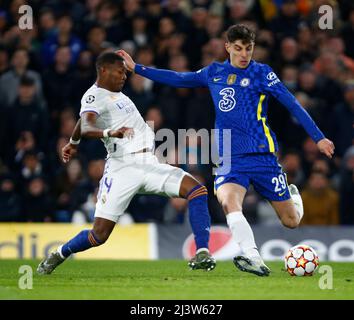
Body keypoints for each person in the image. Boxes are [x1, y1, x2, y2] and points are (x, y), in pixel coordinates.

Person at [117, 24, 335, 277]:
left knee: (291, 221)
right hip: (231, 157)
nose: (245, 54)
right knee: (229, 202)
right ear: (228, 47)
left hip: (262, 156)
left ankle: (293, 196)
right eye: (239, 48)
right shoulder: (214, 73)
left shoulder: (263, 73)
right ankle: (253, 257)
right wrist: (137, 68)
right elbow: (178, 78)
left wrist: (319, 138)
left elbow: (294, 105)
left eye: (249, 49)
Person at [37, 52, 215, 274]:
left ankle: (202, 252)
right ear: (103, 70)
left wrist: (73, 142)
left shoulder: (118, 95)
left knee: (197, 191)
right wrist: (110, 132)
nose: (124, 76)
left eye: (125, 73)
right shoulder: (94, 96)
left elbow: (80, 125)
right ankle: (60, 253)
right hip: (122, 168)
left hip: (149, 163)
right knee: (98, 235)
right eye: (119, 72)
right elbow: (87, 124)